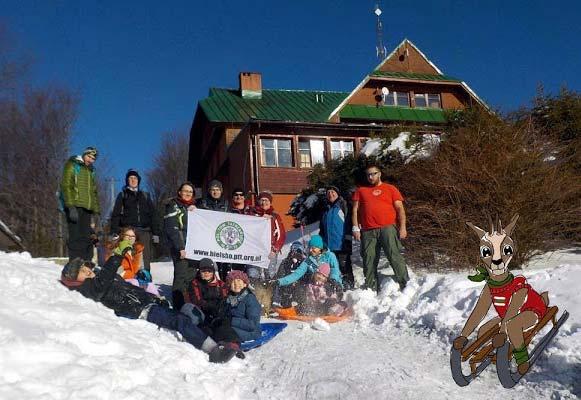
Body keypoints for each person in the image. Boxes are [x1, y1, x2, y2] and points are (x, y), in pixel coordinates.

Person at [59, 255, 237, 363]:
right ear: (75, 279)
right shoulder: (88, 288)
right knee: (181, 320)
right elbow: (101, 283)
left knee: (188, 317)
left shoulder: (99, 280)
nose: (88, 271)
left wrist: (153, 298)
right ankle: (213, 351)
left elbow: (132, 290)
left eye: (86, 268)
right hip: (140, 310)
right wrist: (118, 255)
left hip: (146, 303)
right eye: (83, 271)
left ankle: (222, 341)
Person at [352, 162, 409, 293]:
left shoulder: (390, 188)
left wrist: (403, 227)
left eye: (373, 174)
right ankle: (371, 289)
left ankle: (405, 284)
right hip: (368, 231)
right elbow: (355, 210)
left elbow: (400, 209)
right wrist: (355, 227)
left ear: (379, 174)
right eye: (368, 175)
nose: (371, 177)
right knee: (369, 259)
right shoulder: (361, 191)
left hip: (388, 228)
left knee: (394, 256)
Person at [109, 169, 160, 272]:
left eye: (135, 178)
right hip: (128, 231)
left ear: (138, 180)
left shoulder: (145, 195)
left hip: (144, 231)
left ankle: (145, 280)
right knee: (128, 256)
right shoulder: (123, 195)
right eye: (130, 178)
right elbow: (116, 214)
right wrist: (114, 232)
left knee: (144, 258)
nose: (133, 180)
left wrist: (156, 233)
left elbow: (153, 215)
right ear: (127, 180)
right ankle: (127, 280)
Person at [60, 146, 100, 261]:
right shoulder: (73, 164)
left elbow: (94, 192)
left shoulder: (91, 171)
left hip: (87, 208)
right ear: (84, 154)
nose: (90, 160)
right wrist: (70, 206)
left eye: (93, 159)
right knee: (75, 236)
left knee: (86, 237)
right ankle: (74, 263)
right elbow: (66, 185)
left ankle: (85, 264)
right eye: (89, 156)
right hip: (75, 206)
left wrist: (96, 212)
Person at [164, 182, 198, 311]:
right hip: (181, 247)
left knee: (191, 276)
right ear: (179, 192)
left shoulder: (193, 208)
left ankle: (188, 304)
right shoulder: (173, 206)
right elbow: (172, 228)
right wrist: (180, 247)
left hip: (194, 248)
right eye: (185, 191)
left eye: (190, 192)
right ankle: (178, 306)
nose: (188, 193)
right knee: (181, 276)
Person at [274, 235, 342, 289]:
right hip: (317, 287)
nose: (310, 250)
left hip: (333, 284)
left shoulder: (330, 256)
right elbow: (296, 275)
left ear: (320, 248)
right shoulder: (308, 261)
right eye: (310, 248)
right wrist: (279, 282)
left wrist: (333, 280)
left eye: (313, 248)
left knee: (329, 291)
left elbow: (335, 269)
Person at [319, 185, 354, 289]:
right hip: (328, 246)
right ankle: (334, 285)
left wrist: (348, 239)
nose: (330, 194)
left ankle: (348, 285)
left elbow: (348, 223)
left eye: (333, 192)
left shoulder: (343, 205)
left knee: (344, 265)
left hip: (341, 243)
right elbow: (322, 229)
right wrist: (322, 243)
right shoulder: (325, 209)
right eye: (328, 193)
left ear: (337, 193)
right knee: (331, 267)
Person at [112, 226, 159, 296]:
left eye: (133, 236)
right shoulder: (116, 250)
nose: (130, 238)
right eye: (127, 235)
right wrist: (133, 275)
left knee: (151, 286)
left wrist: (142, 273)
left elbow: (141, 266)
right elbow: (117, 271)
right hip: (121, 279)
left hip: (135, 278)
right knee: (135, 284)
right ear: (122, 236)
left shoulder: (138, 249)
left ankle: (157, 301)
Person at [251, 191, 286, 280]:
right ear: (258, 201)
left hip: (270, 250)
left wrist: (275, 250)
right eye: (262, 200)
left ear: (270, 203)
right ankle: (256, 292)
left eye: (266, 200)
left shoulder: (275, 217)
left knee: (270, 273)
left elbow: (281, 235)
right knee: (253, 273)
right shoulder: (252, 215)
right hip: (255, 250)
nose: (264, 203)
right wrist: (261, 216)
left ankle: (270, 292)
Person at [185, 258, 228, 323]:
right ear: (199, 271)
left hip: (218, 313)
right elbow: (197, 301)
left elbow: (225, 299)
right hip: (201, 312)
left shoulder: (221, 284)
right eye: (203, 271)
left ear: (213, 271)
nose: (206, 273)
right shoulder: (195, 283)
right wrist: (213, 307)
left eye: (209, 271)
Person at [272, 241, 307, 308]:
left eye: (298, 251)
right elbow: (280, 275)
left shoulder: (305, 263)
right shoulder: (286, 262)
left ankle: (300, 304)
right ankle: (278, 301)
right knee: (278, 284)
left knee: (301, 288)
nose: (295, 253)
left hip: (300, 287)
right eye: (293, 251)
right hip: (287, 285)